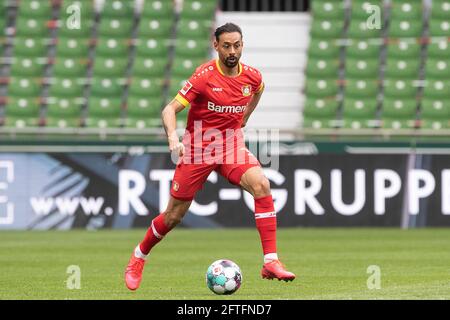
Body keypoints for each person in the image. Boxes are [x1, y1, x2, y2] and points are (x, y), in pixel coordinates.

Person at [125, 22, 295, 291]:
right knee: (173, 216)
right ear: (215, 45)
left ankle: (270, 261)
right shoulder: (204, 77)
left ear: (242, 45)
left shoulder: (252, 77)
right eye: (226, 45)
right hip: (197, 149)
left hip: (229, 145)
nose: (232, 51)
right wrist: (173, 137)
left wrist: (244, 119)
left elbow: (258, 90)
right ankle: (139, 256)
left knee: (262, 184)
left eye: (237, 45)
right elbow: (170, 110)